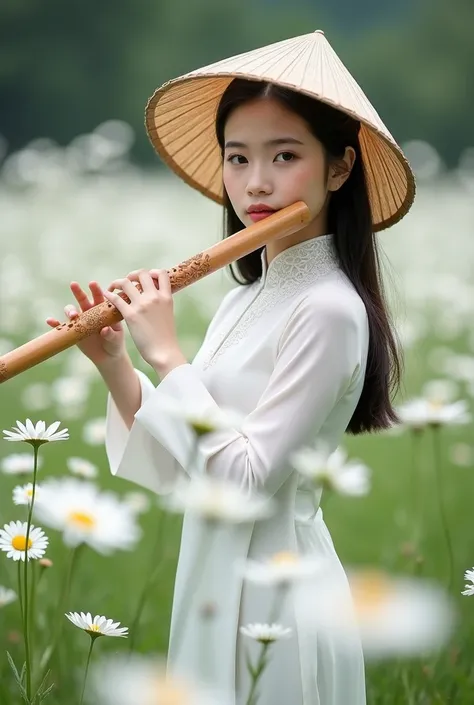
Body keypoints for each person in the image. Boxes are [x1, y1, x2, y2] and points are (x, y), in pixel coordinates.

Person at [46, 30, 415, 705]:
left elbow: (244, 478)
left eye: (284, 155)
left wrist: (168, 353)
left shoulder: (329, 309)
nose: (257, 182)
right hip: (212, 576)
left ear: (340, 167)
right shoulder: (245, 296)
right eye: (238, 158)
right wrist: (118, 366)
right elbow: (182, 464)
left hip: (278, 597)